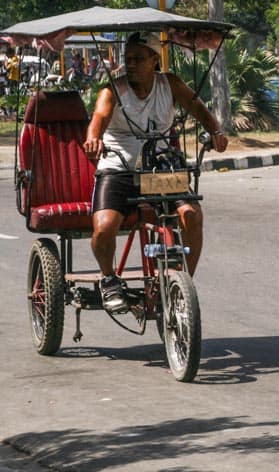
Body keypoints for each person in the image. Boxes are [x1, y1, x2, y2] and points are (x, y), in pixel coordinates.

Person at [83, 31, 228, 313]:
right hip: (119, 168)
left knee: (192, 215)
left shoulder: (170, 84)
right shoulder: (113, 90)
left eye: (138, 59)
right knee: (103, 229)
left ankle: (179, 283)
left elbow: (197, 107)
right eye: (128, 59)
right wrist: (94, 139)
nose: (131, 64)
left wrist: (216, 131)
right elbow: (99, 117)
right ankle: (109, 279)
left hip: (160, 166)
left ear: (154, 60)